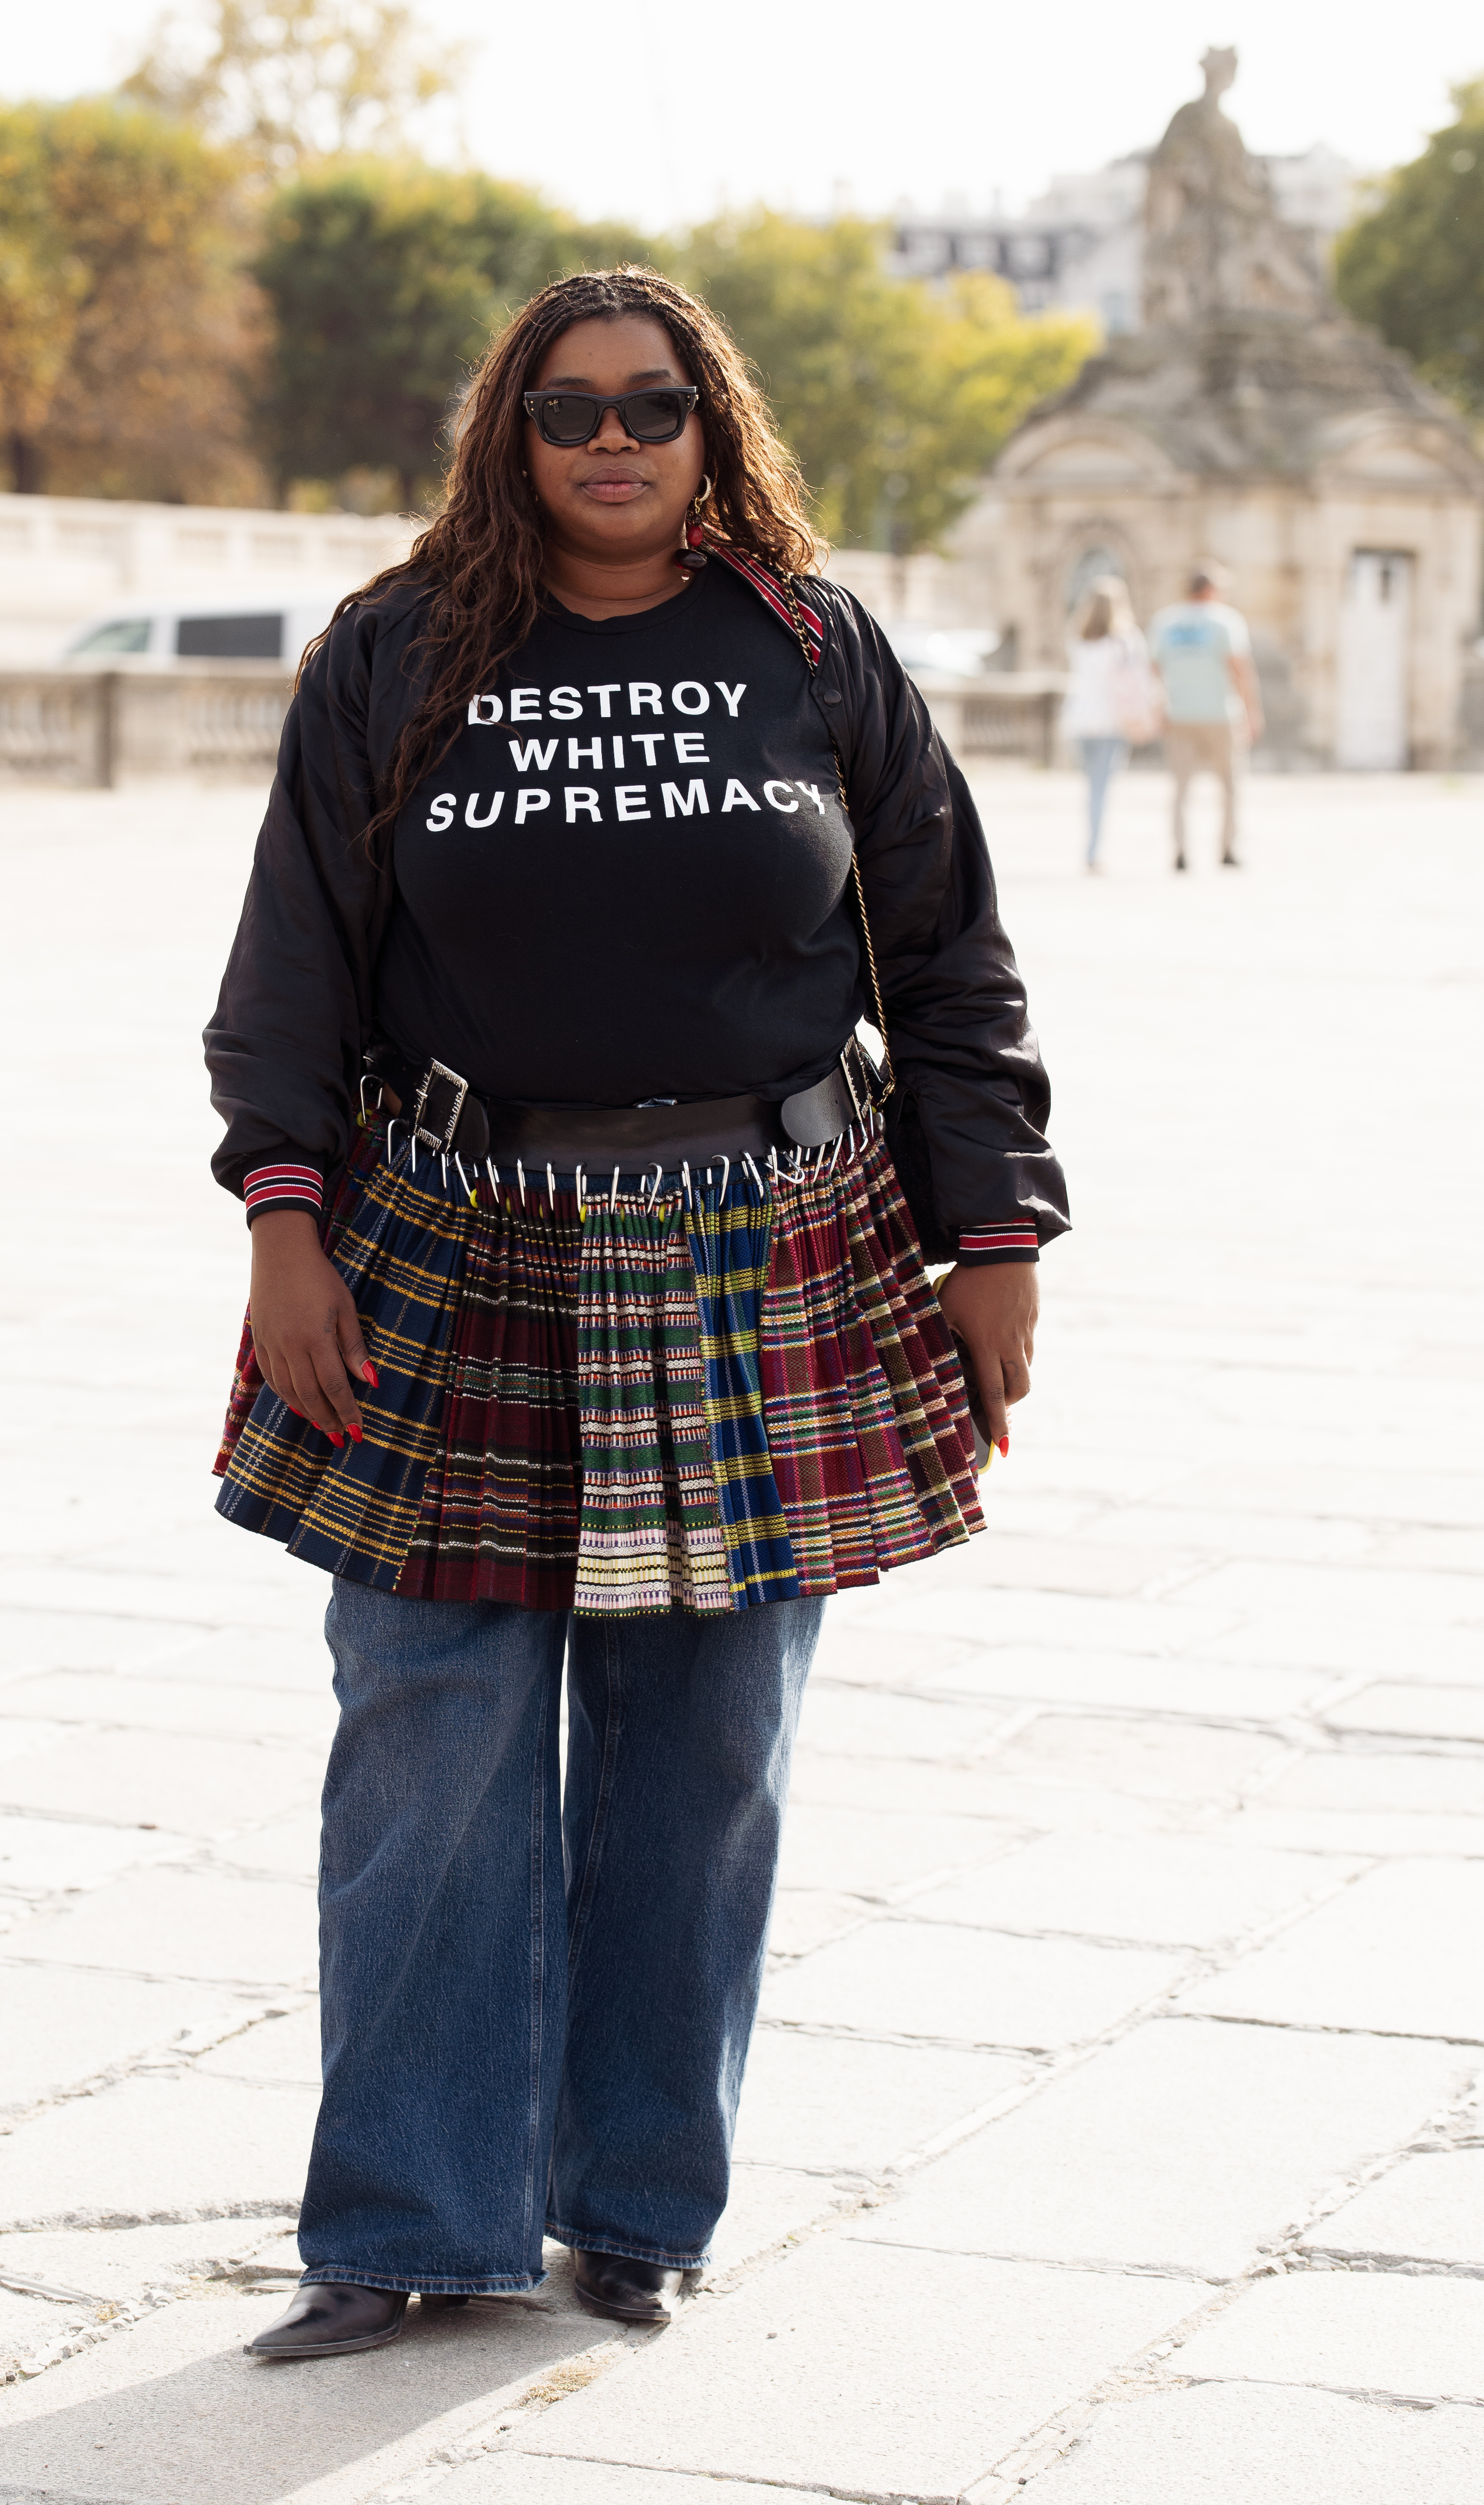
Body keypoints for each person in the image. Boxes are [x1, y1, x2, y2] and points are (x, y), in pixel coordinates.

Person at [204, 267, 1068, 2360]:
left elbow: (948, 957)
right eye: (568, 407)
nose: (612, 439)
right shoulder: (399, 651)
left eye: (654, 406)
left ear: (710, 427)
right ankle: (409, 2219)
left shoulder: (808, 645)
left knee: (705, 1758)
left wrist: (998, 1242)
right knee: (426, 1742)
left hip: (764, 1243)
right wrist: (283, 1222)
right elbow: (296, 963)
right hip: (448, 1232)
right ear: (509, 429)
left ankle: (639, 2202)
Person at [1148, 563, 1263, 869]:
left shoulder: (1166, 622)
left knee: (1181, 788)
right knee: (1229, 786)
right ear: (1211, 590)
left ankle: (1181, 851)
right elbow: (1240, 670)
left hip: (1180, 714)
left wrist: (1159, 709)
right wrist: (1252, 712)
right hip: (1220, 714)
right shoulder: (1225, 621)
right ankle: (1227, 849)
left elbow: (1154, 671)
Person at [1060, 577, 1156, 871]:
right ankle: (1093, 852)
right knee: (1101, 788)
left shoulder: (1077, 638)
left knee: (1091, 786)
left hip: (1079, 719)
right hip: (1112, 721)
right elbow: (1140, 682)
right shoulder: (1127, 641)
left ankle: (1090, 847)